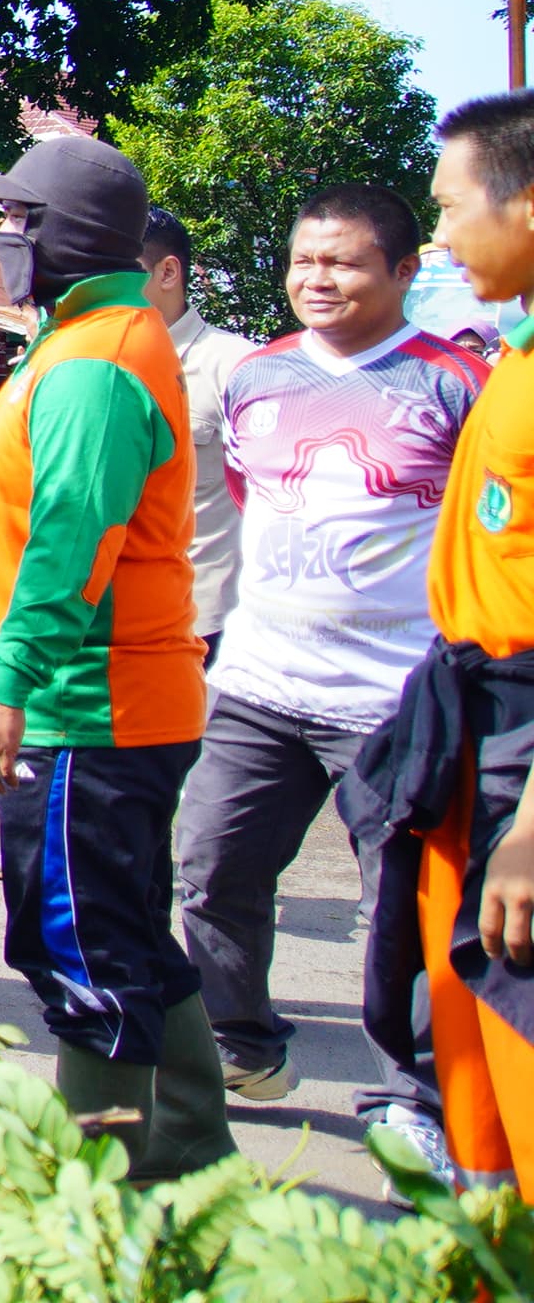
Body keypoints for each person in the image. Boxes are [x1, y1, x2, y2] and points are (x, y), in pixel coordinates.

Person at [0, 134, 229, 1181]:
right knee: (126, 933)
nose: (1, 237)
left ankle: (106, 1195)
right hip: (90, 697)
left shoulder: (97, 359)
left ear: (65, 234)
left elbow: (71, 539)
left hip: (88, 707)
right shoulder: (81, 337)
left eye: (17, 221)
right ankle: (193, 1151)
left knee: (84, 952)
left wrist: (5, 685)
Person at [171, 184, 471, 1169]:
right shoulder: (254, 377)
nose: (316, 278)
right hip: (258, 684)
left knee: (397, 909)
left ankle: (412, 1094)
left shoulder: (454, 384)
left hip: (393, 702)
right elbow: (254, 504)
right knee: (210, 867)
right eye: (303, 261)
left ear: (399, 270)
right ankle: (243, 1042)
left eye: (340, 262)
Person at [342, 91, 534, 1190]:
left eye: (452, 209)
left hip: (520, 755)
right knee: (461, 1057)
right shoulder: (506, 355)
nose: (444, 237)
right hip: (466, 731)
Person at [143, 208, 257, 660]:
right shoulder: (84, 365)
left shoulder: (237, 366)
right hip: (99, 622)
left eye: (118, 272)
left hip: (203, 626)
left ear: (168, 272)